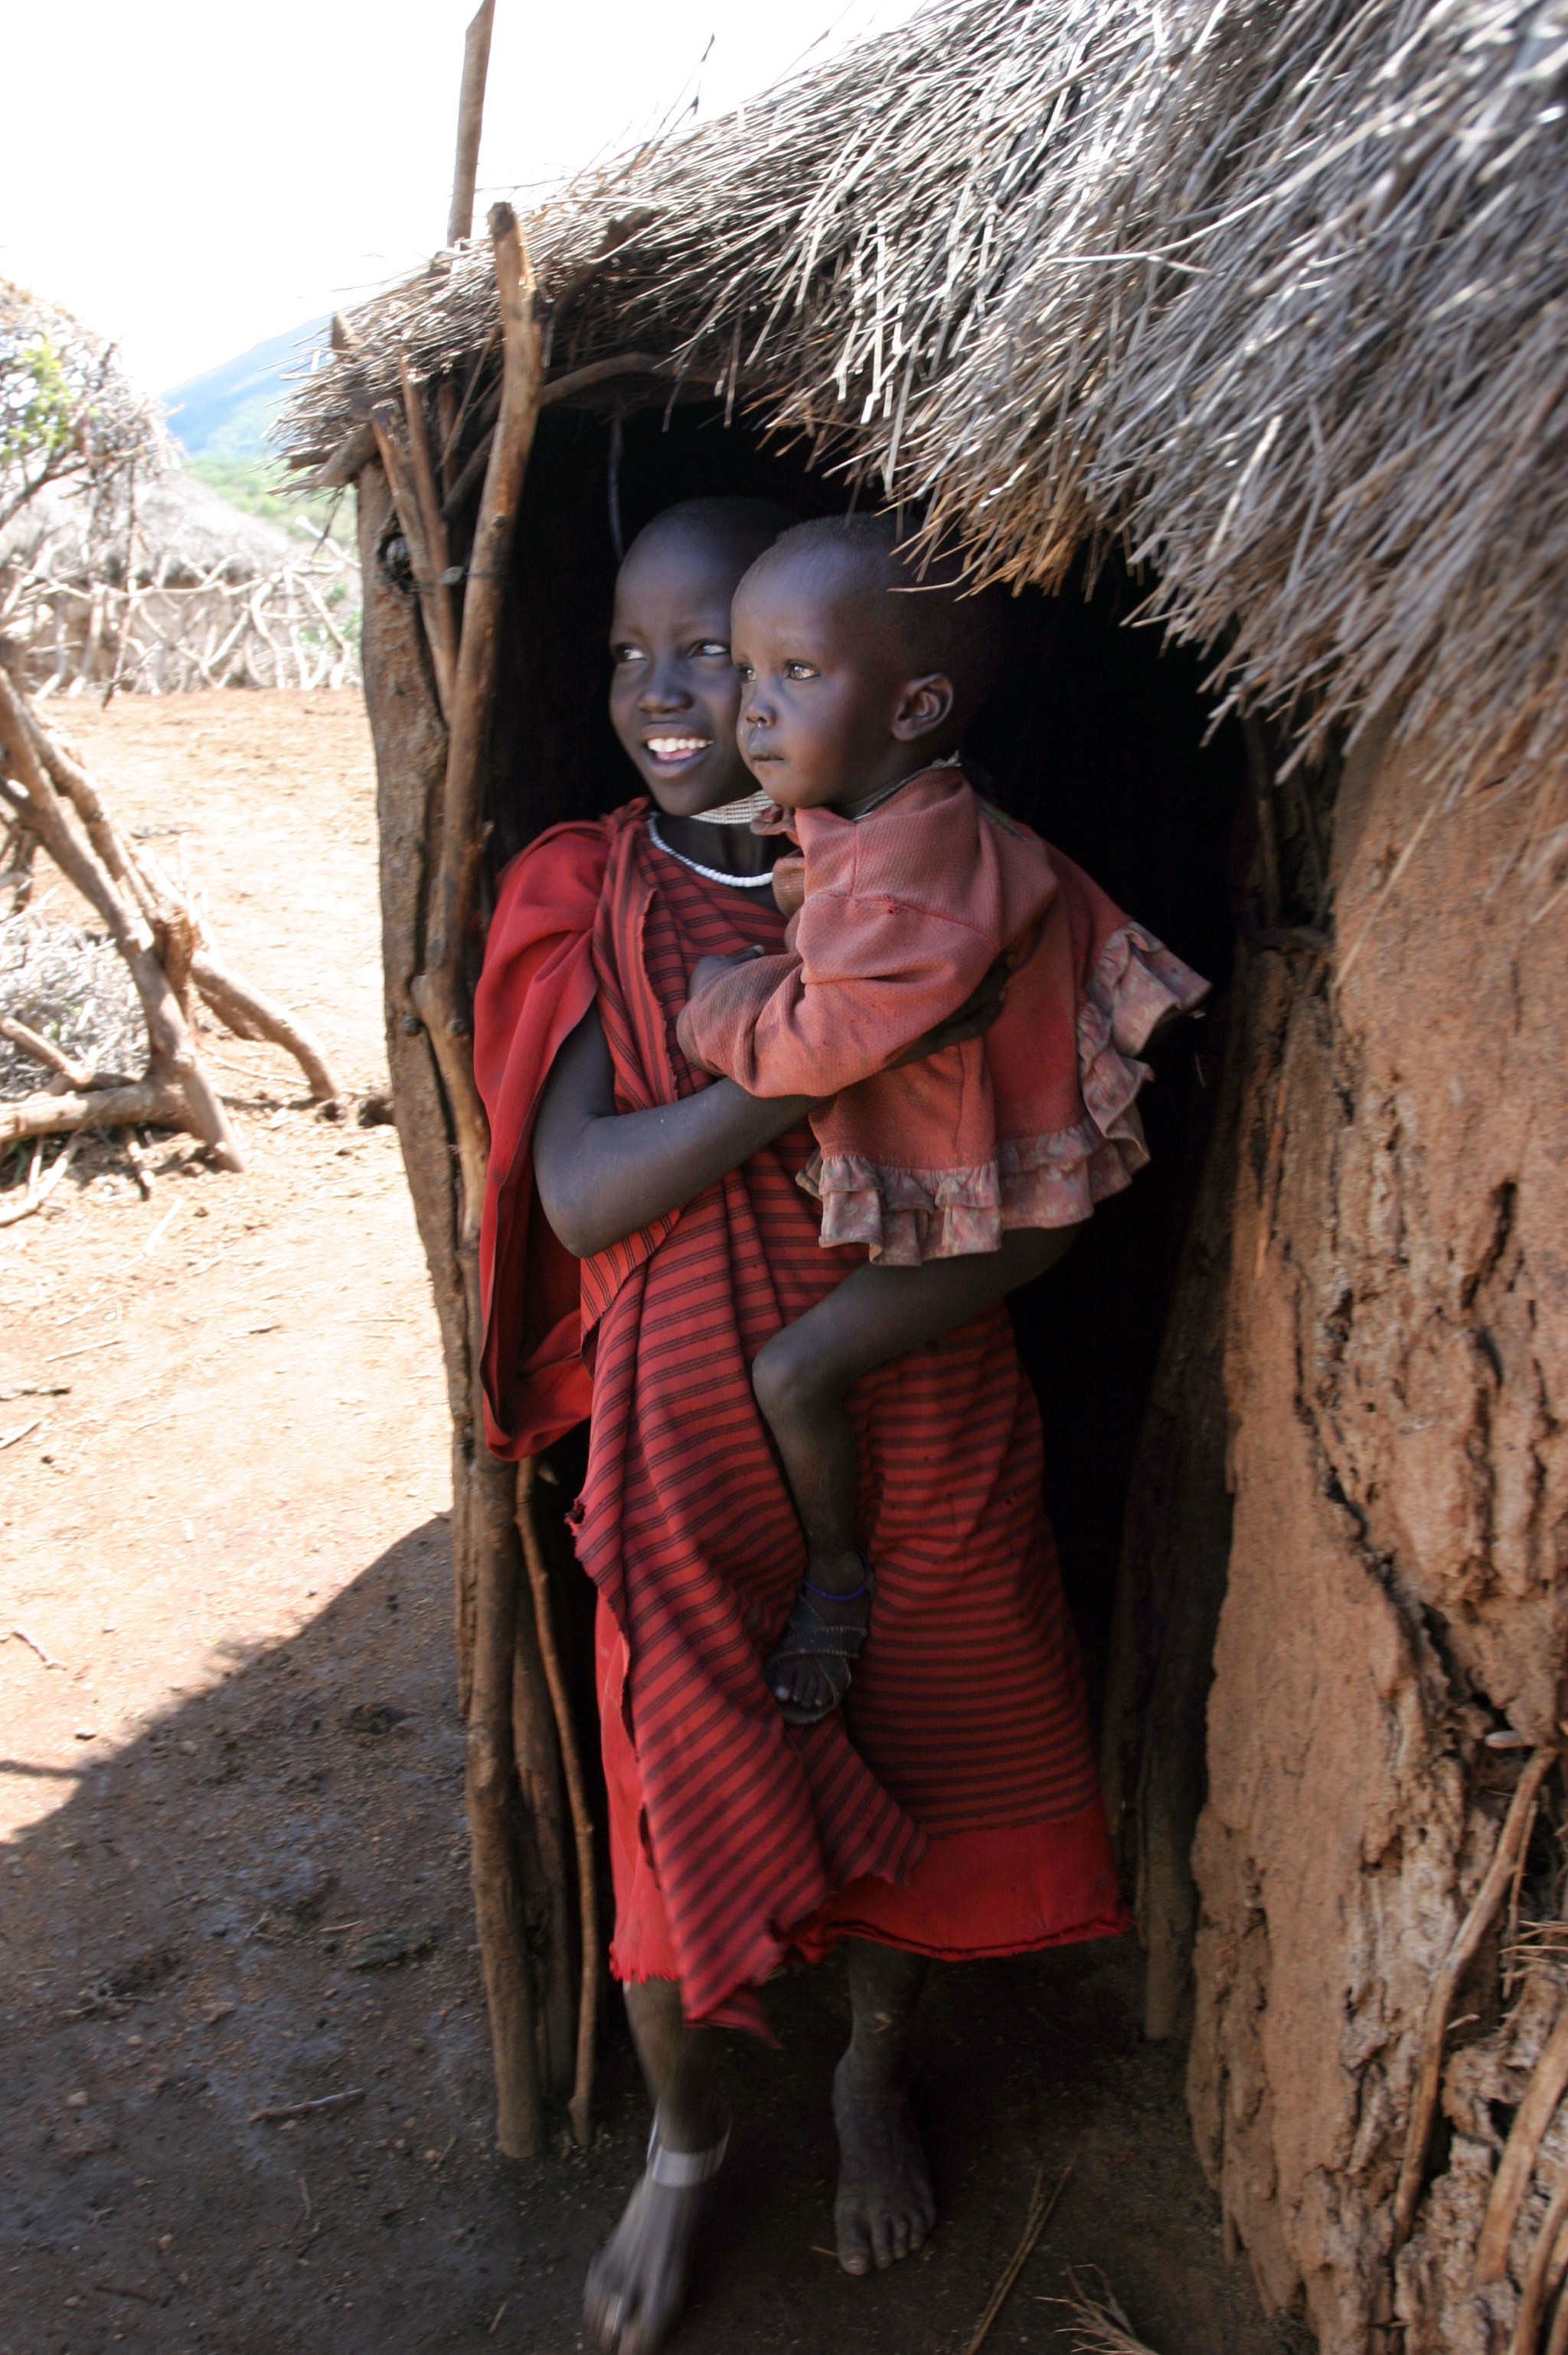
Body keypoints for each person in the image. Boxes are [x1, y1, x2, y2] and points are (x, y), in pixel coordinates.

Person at [473, 496, 1137, 2355]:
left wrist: (885, 991)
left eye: (726, 653)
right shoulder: (587, 890)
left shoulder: (924, 857)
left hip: (917, 1393)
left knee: (928, 1724)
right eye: (635, 650)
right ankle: (685, 2145)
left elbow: (1054, 1127)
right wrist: (845, 1030)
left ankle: (867, 2065)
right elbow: (588, 1199)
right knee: (680, 1783)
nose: (675, 695)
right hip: (681, 1445)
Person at [676, 515, 1210, 1723]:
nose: (753, 710)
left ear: (915, 708)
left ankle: (836, 1579)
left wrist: (715, 1007)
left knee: (792, 1371)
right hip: (1005, 1143)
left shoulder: (912, 888)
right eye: (748, 673)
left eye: (798, 675)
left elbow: (811, 1047)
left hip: (1023, 1205)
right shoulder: (901, 807)